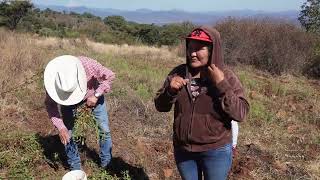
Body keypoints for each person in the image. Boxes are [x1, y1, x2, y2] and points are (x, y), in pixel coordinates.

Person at [154, 27, 249, 180]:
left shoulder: (227, 76)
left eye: (199, 48)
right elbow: (160, 106)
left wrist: (221, 84)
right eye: (190, 48)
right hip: (183, 150)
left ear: (212, 50)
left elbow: (240, 113)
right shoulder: (178, 73)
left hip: (215, 151)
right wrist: (170, 91)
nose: (192, 53)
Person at [44, 55, 115, 170]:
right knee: (67, 134)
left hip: (93, 96)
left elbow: (110, 75)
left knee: (104, 130)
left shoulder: (86, 64)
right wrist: (61, 127)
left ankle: (107, 165)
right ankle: (75, 168)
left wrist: (96, 95)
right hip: (68, 105)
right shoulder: (52, 81)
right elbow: (50, 105)